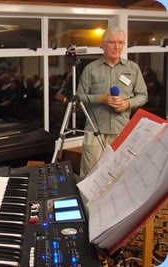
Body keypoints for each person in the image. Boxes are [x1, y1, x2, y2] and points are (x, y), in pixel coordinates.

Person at [76, 26, 148, 178]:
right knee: (89, 176)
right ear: (103, 44)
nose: (117, 47)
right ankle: (86, 202)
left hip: (121, 131)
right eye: (112, 42)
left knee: (118, 176)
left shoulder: (133, 68)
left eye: (120, 42)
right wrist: (101, 98)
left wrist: (127, 104)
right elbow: (79, 96)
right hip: (95, 130)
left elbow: (143, 96)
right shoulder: (91, 69)